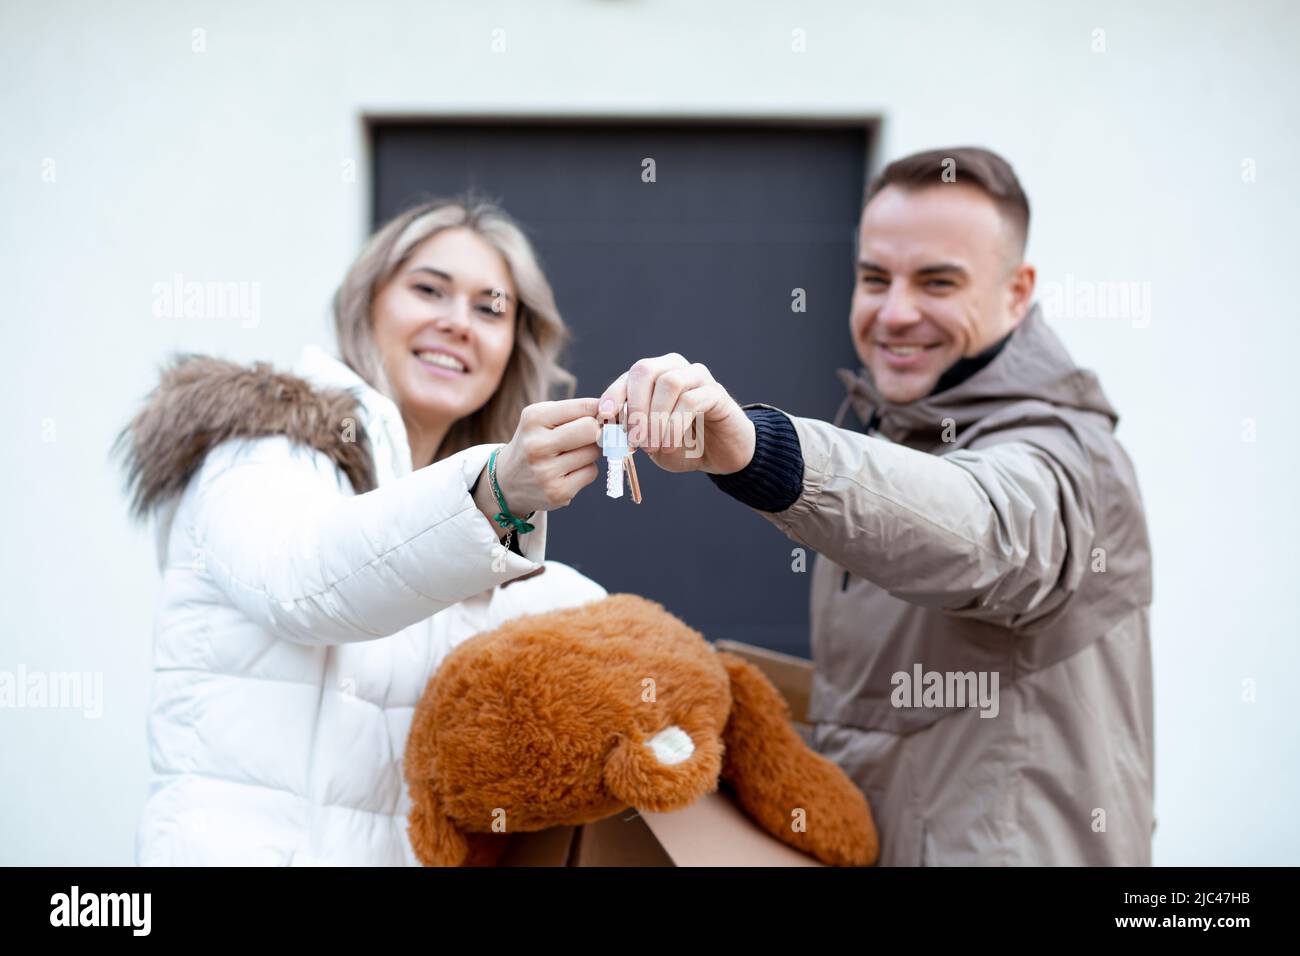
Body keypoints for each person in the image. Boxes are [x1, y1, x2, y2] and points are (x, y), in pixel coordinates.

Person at [598, 147, 1155, 865]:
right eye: (874, 278)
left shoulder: (1069, 455)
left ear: (1018, 292)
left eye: (938, 281)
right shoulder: (899, 431)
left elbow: (984, 528)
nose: (896, 313)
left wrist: (760, 451)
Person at [115, 198, 607, 865]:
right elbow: (307, 582)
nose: (457, 322)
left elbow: (590, 636)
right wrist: (493, 492)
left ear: (512, 346)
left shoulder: (475, 530)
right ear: (366, 303)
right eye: (429, 290)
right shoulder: (265, 447)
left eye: (490, 308)